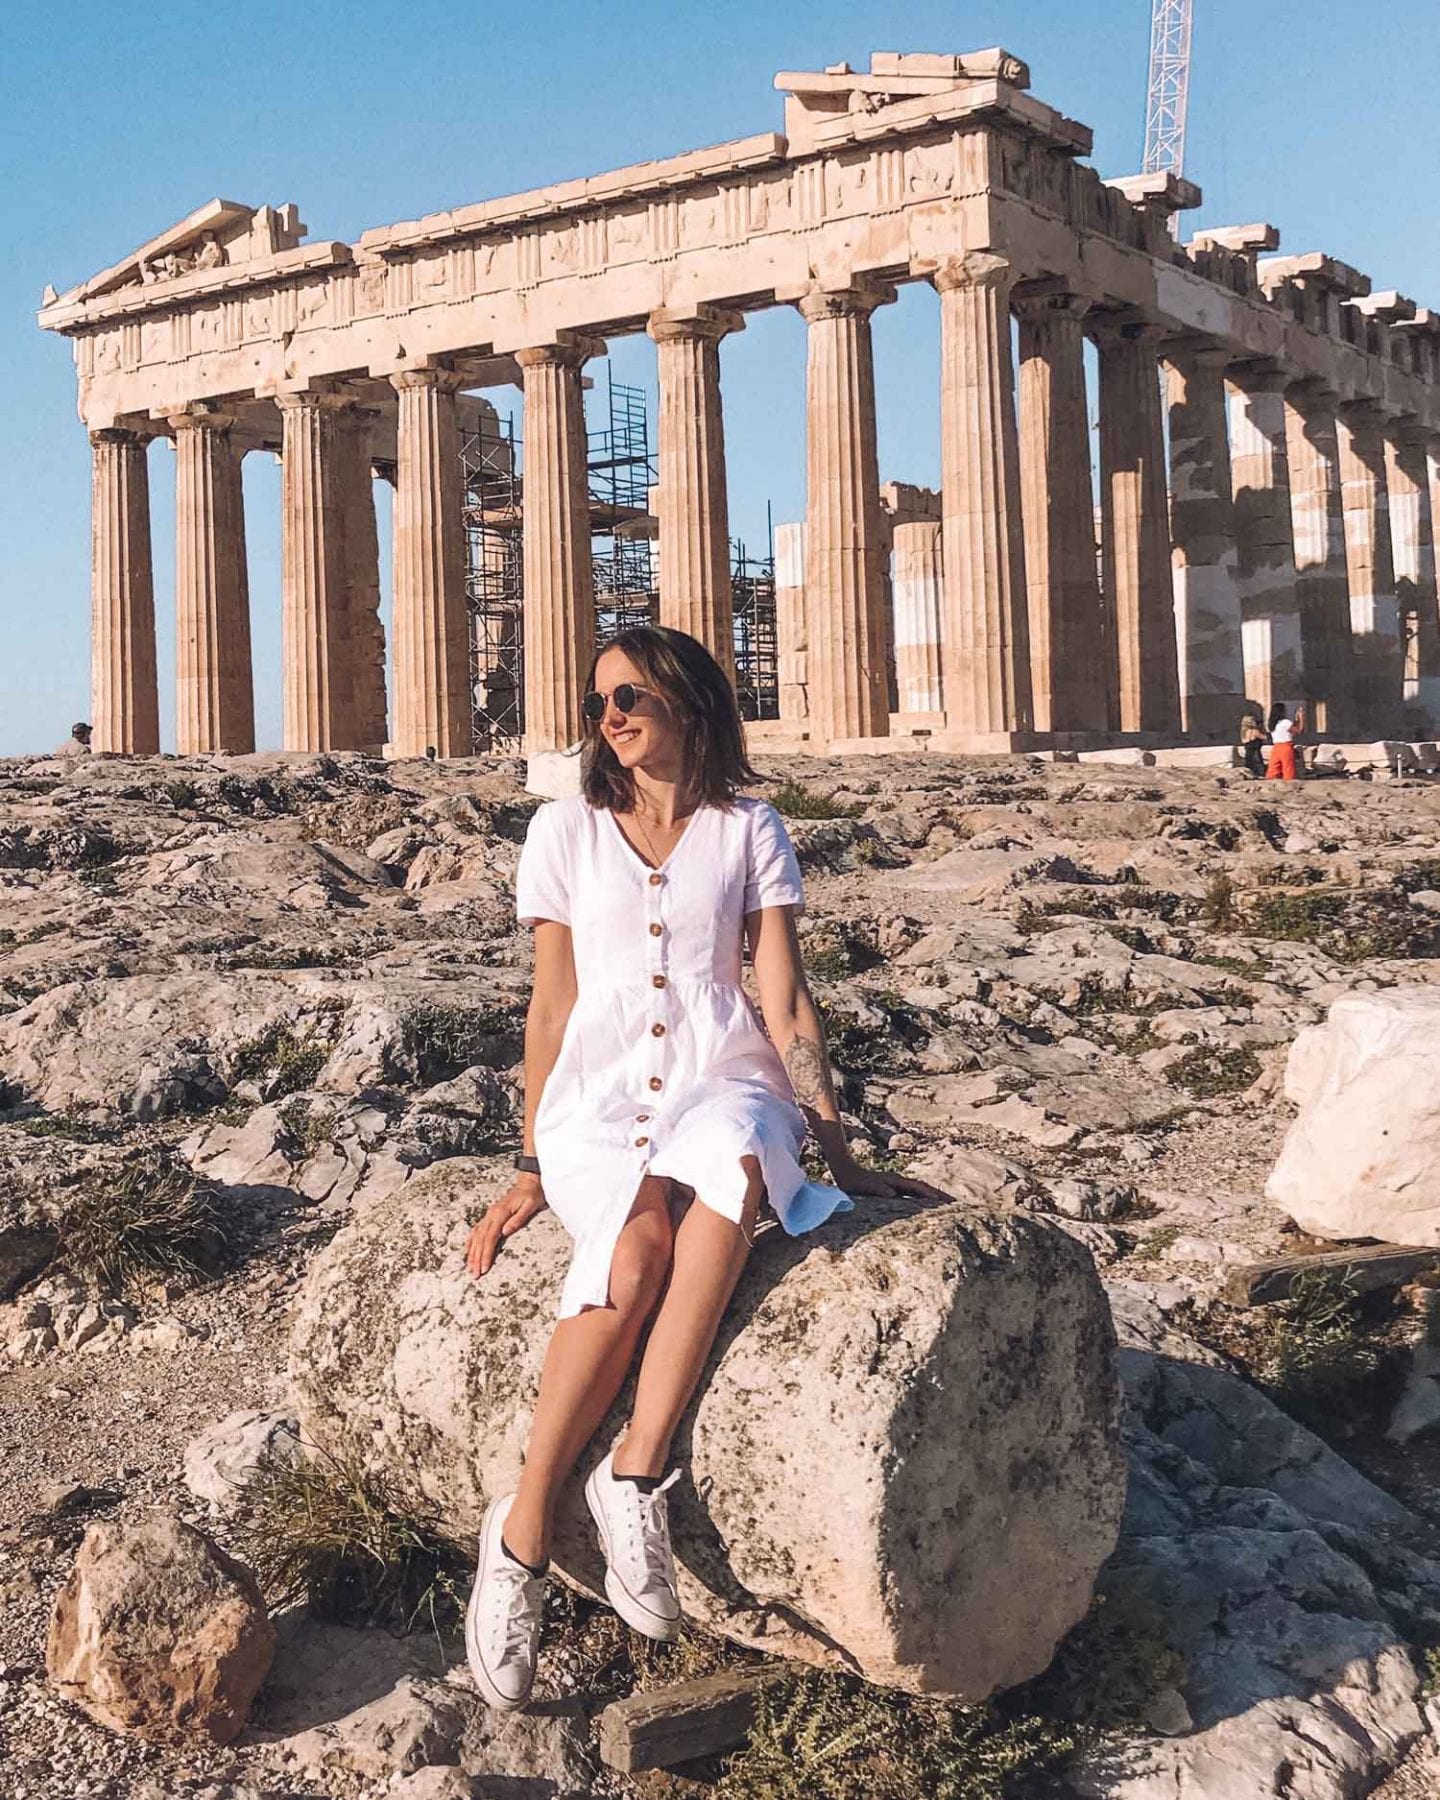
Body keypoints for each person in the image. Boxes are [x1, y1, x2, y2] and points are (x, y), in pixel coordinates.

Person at [461, 624, 946, 1711]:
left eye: (631, 694)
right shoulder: (564, 832)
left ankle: (636, 1469)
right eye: (599, 702)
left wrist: (838, 1149)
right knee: (633, 1248)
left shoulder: (750, 828)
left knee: (732, 1162)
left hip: (721, 1077)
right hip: (600, 1100)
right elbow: (551, 1006)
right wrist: (534, 1163)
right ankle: (525, 1523)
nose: (611, 716)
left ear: (688, 700)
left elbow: (781, 996)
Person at [1266, 704, 1298, 780]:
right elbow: (1298, 730)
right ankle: (1289, 782)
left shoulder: (1272, 724)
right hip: (1286, 746)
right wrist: (1301, 717)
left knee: (1274, 768)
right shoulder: (1285, 722)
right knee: (1288, 768)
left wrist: (1296, 721)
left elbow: (1289, 730)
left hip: (1276, 747)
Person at [1239, 712, 1267, 779]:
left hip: (1248, 755)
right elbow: (1264, 737)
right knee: (1259, 771)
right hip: (1255, 754)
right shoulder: (1254, 731)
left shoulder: (1243, 731)